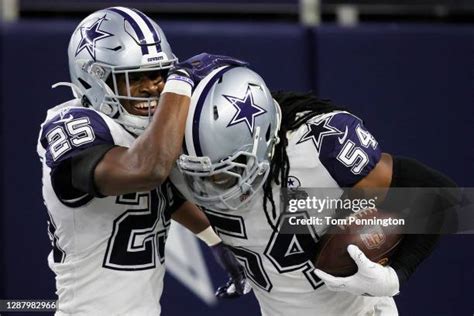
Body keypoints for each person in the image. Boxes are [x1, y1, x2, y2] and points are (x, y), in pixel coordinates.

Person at [174, 63, 459, 315]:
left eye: (227, 170)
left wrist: (397, 275)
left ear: (260, 142)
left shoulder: (318, 150)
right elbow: (167, 194)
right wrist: (214, 239)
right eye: (204, 174)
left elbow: (444, 198)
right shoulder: (185, 164)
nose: (212, 186)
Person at [37, 8, 244, 315]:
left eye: (161, 75)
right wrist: (182, 84)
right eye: (135, 77)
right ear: (94, 79)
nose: (153, 87)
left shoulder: (143, 136)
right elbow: (148, 171)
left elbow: (162, 194)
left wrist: (214, 238)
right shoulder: (71, 126)